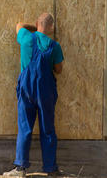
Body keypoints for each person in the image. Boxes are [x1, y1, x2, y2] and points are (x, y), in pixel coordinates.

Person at [5, 13, 64, 177]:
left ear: (37, 24)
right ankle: (50, 169)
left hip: (27, 89)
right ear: (51, 28)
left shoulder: (25, 37)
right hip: (45, 92)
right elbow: (59, 70)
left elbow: (19, 25)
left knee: (25, 128)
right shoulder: (54, 46)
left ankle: (20, 169)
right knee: (48, 130)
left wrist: (35, 27)